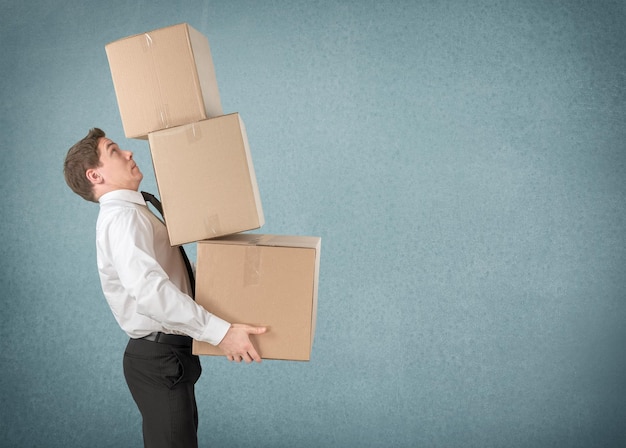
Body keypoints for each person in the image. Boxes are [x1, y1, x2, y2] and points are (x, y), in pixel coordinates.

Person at [63, 128, 267, 448]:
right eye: (114, 151)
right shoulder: (122, 219)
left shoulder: (135, 212)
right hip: (159, 358)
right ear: (95, 175)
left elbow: (173, 277)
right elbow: (151, 293)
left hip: (168, 355)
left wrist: (231, 281)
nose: (129, 153)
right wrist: (222, 333)